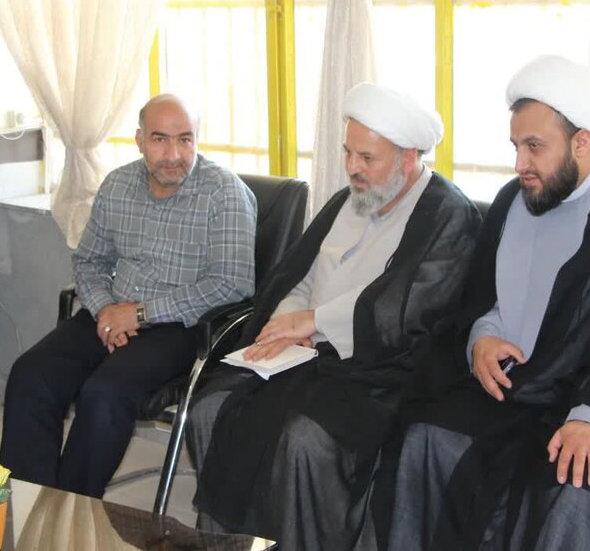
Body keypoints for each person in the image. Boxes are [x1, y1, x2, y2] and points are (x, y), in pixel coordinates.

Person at [379, 56, 590, 550]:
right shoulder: (512, 200)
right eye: (517, 146)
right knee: (424, 437)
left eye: (535, 146)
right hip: (522, 391)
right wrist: (481, 338)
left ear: (581, 141)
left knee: (572, 495)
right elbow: (483, 298)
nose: (520, 163)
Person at [187, 83, 482, 551]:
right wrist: (287, 325)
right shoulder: (351, 199)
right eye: (348, 152)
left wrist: (316, 321)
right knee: (211, 408)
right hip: (307, 355)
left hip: (385, 371)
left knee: (305, 440)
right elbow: (298, 276)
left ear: (407, 158)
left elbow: (409, 309)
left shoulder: (449, 215)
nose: (352, 167)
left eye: (367, 157)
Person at [0, 93, 256, 499]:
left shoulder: (224, 194)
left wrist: (138, 314)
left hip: (181, 326)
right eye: (160, 139)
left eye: (185, 140)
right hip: (111, 313)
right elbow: (89, 261)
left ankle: (72, 509)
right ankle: (31, 506)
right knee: (31, 375)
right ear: (139, 140)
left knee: (104, 394)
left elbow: (231, 285)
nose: (173, 154)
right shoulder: (117, 185)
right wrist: (106, 310)